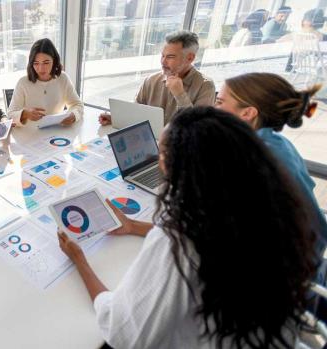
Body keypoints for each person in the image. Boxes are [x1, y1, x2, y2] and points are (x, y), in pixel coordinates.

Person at [59, 106, 317, 348]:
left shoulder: (180, 238)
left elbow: (124, 334)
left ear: (185, 167)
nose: (155, 160)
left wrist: (80, 260)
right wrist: (133, 226)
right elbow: (210, 238)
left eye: (161, 153)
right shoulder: (259, 208)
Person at [215, 72, 327, 256]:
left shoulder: (252, 158)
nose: (213, 107)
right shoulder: (276, 142)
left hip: (284, 270)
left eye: (220, 102)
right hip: (307, 254)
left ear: (248, 113)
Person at [98, 31, 215, 126]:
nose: (163, 61)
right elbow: (135, 112)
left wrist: (180, 94)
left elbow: (198, 129)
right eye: (162, 55)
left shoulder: (205, 86)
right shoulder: (151, 80)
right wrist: (116, 118)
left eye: (170, 56)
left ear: (189, 58)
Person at [7, 38, 83, 127]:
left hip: (55, 132)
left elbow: (77, 105)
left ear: (54, 61)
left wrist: (74, 115)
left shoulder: (63, 78)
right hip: (29, 135)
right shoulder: (23, 82)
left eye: (46, 63)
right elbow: (10, 115)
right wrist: (25, 114)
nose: (41, 69)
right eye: (36, 63)